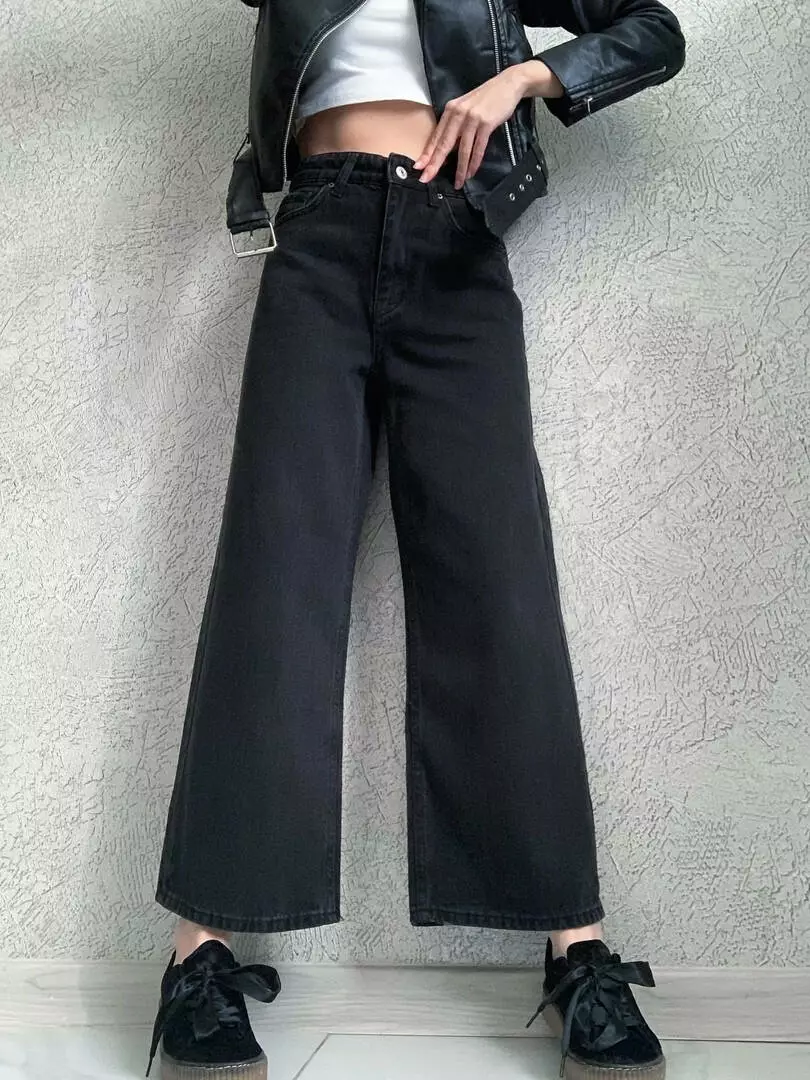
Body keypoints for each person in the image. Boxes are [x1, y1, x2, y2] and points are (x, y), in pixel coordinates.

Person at [146, 2, 685, 1079]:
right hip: (318, 239)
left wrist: (521, 81)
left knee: (503, 585)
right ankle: (196, 955)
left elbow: (653, 30)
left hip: (458, 245)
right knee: (274, 578)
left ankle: (574, 950)